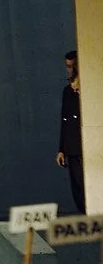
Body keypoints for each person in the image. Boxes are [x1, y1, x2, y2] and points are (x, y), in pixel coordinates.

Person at [57, 50, 83, 211]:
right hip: (72, 147)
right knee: (77, 187)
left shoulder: (88, 90)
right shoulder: (67, 91)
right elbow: (64, 120)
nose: (70, 70)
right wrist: (61, 149)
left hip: (86, 144)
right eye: (68, 66)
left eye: (73, 66)